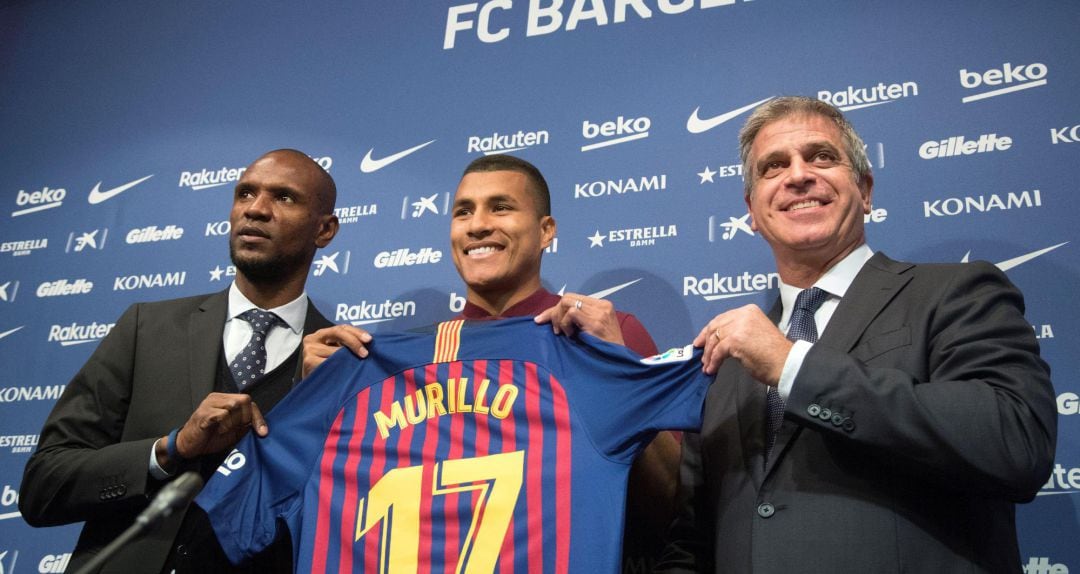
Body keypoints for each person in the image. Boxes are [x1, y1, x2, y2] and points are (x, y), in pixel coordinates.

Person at [656, 96, 1058, 573]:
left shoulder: (956, 292)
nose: (798, 175)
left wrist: (793, 367)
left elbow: (1016, 444)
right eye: (773, 166)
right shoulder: (726, 360)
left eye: (821, 156)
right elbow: (691, 540)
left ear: (865, 190)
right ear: (752, 211)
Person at [302, 154, 680, 571]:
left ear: (545, 231)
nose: (478, 224)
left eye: (500, 207)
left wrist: (621, 372)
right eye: (463, 211)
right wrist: (319, 405)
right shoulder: (401, 363)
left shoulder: (609, 330)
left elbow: (679, 504)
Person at [19, 149, 341, 573]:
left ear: (325, 230)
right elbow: (43, 486)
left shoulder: (340, 367)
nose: (256, 210)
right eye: (245, 193)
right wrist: (168, 450)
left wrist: (311, 402)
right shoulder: (146, 329)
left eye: (284, 198)